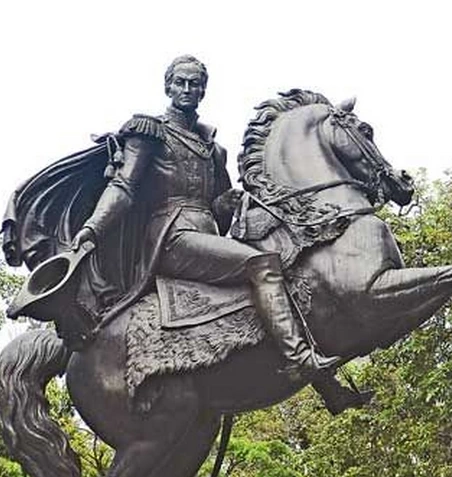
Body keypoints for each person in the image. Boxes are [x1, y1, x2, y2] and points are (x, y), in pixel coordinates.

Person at [71, 55, 339, 380]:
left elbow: (217, 206)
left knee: (294, 268)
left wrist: (232, 200)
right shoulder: (150, 132)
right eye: (180, 82)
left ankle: (326, 383)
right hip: (172, 237)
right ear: (168, 87)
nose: (186, 89)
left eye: (194, 83)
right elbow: (123, 187)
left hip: (208, 236)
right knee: (262, 264)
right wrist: (93, 228)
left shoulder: (213, 149)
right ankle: (299, 359)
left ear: (203, 90)